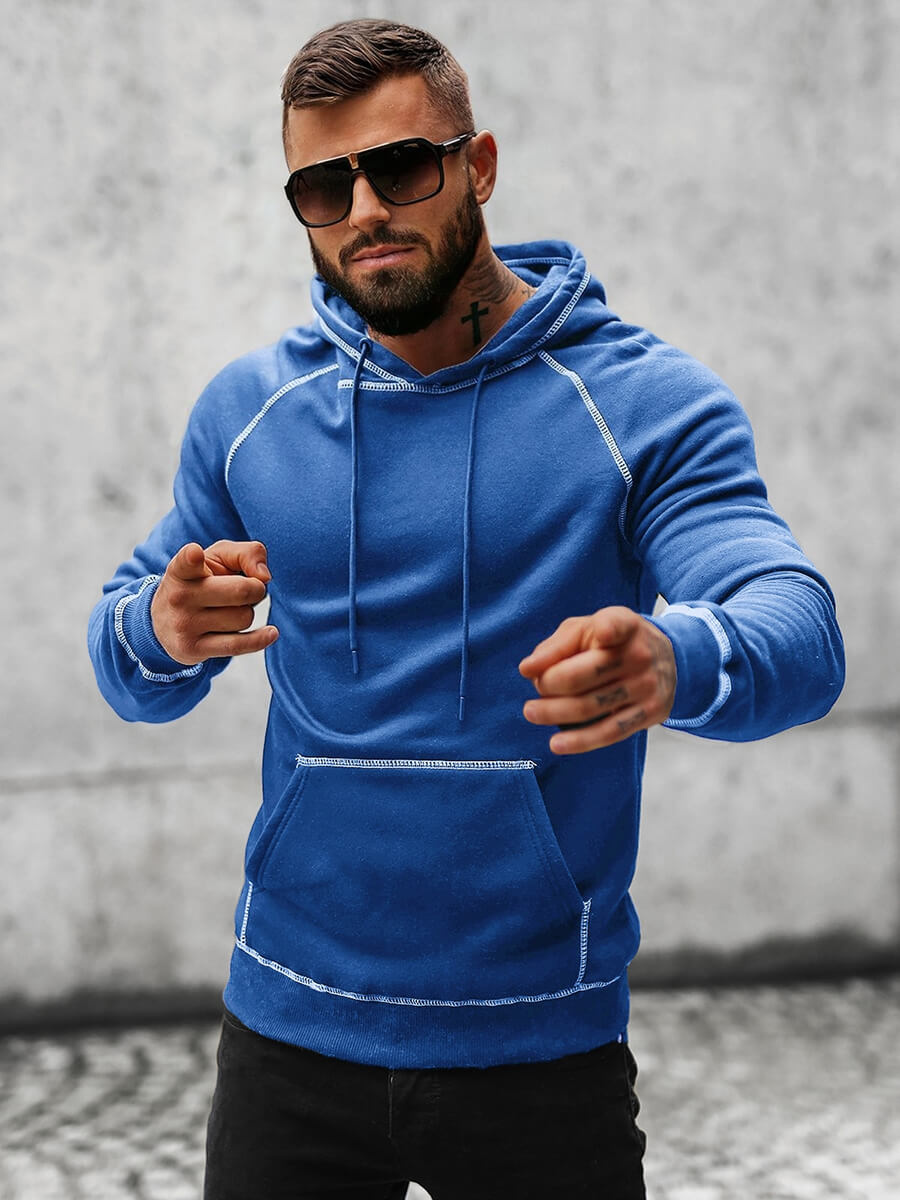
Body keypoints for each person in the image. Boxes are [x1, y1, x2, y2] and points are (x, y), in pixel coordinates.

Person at [88, 18, 844, 1200]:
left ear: (478, 166)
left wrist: (677, 657)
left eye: (400, 167)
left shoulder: (641, 406)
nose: (364, 211)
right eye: (322, 187)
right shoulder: (249, 412)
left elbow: (798, 625)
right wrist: (161, 630)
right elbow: (124, 647)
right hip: (286, 1037)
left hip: (538, 1051)